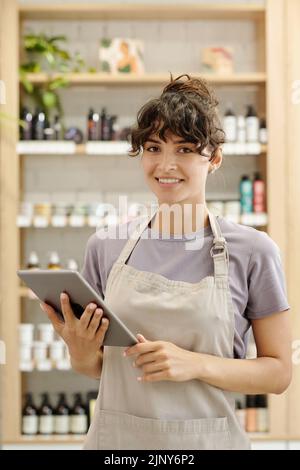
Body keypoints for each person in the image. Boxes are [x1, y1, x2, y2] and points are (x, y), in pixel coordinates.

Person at [41, 74, 292, 450]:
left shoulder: (254, 251)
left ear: (215, 158)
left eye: (186, 149)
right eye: (154, 148)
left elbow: (278, 374)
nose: (166, 165)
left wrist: (195, 364)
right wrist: (79, 351)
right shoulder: (106, 247)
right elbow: (97, 368)